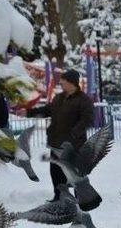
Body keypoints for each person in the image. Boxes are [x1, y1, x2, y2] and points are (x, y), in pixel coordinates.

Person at [26, 69, 94, 201]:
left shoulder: (84, 100)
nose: (61, 82)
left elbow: (87, 120)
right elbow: (47, 110)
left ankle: (81, 198)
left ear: (72, 83)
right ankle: (59, 196)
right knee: (56, 171)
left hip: (73, 145)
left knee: (74, 173)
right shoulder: (58, 98)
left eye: (63, 80)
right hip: (56, 143)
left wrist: (74, 134)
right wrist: (29, 113)